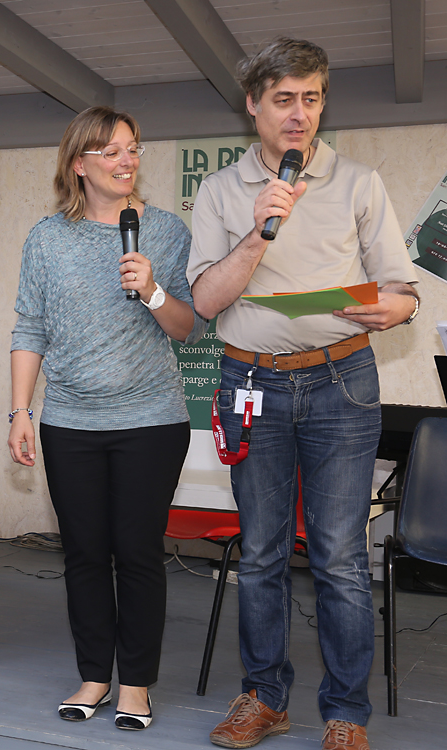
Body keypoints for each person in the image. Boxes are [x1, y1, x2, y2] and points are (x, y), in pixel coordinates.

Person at [188, 38, 418, 750]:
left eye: (310, 99)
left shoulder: (357, 181)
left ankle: (345, 713)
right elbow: (203, 299)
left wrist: (395, 309)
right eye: (283, 99)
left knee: (340, 554)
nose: (298, 115)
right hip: (248, 380)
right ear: (253, 104)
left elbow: (400, 286)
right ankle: (264, 698)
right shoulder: (221, 191)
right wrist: (258, 229)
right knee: (258, 551)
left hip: (340, 379)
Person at [8, 106, 205, 730]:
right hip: (68, 421)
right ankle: (94, 675)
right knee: (86, 554)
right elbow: (29, 327)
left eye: (133, 149)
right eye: (111, 151)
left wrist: (152, 290)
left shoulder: (167, 232)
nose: (126, 161)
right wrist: (20, 410)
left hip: (151, 421)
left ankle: (137, 686)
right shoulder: (46, 237)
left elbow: (189, 327)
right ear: (79, 165)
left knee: (138, 552)